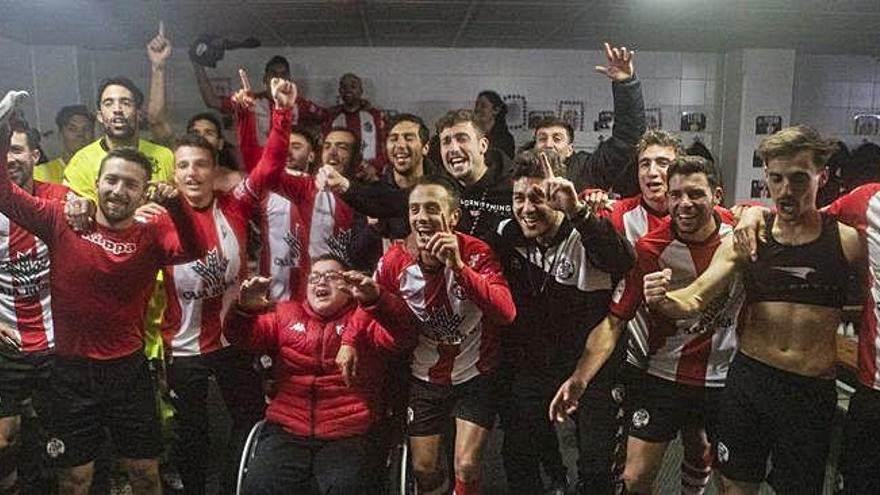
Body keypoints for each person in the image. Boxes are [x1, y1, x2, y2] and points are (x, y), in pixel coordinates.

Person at [0, 95, 204, 493]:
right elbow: (5, 195)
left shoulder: (152, 231)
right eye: (111, 180)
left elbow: (194, 250)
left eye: (130, 184)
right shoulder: (61, 220)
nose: (118, 190)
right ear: (96, 184)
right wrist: (3, 129)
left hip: (127, 373)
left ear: (144, 191)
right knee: (76, 480)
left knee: (144, 474)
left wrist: (177, 206)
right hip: (69, 374)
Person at [643, 125, 863, 494]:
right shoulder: (749, 237)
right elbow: (695, 298)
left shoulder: (846, 241)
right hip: (751, 383)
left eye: (798, 179)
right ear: (766, 179)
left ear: (821, 177)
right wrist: (663, 299)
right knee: (735, 486)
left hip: (809, 391)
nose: (786, 190)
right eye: (776, 179)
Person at [558, 156, 739, 495]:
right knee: (635, 477)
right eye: (676, 195)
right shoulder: (651, 248)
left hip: (724, 377)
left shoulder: (740, 233)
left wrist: (754, 212)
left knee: (729, 481)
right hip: (664, 375)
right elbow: (613, 323)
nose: (684, 204)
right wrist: (579, 378)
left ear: (717, 195)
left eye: (695, 194)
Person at [159, 77, 295, 495]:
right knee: (192, 432)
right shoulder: (158, 215)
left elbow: (269, 166)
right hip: (183, 348)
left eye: (200, 164)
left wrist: (281, 113)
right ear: (174, 171)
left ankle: (232, 484)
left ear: (214, 167)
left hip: (234, 338)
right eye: (182, 165)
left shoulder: (234, 205)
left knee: (250, 416)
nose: (192, 173)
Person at [495, 149, 634, 494]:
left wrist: (578, 212)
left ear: (558, 198)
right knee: (517, 453)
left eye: (538, 198)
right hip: (537, 366)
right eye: (519, 198)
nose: (527, 209)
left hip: (593, 367)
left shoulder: (585, 232)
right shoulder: (506, 235)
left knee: (596, 469)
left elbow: (622, 260)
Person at [373, 176, 516, 495]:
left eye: (432, 209)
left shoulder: (477, 252)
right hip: (425, 376)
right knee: (424, 469)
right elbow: (370, 306)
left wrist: (460, 268)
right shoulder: (395, 261)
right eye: (414, 210)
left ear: (453, 217)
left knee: (466, 465)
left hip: (476, 374)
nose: (421, 217)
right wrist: (347, 343)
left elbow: (506, 313)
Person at [226, 255, 415, 494]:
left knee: (347, 487)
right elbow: (239, 337)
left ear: (349, 288)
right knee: (261, 484)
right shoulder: (285, 315)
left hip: (349, 433)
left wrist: (378, 299)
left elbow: (404, 334)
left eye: (331, 277)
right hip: (287, 430)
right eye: (314, 277)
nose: (320, 282)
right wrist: (243, 310)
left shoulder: (365, 322)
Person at [0, 123, 74, 494]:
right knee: (4, 441)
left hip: (58, 340)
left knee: (63, 437)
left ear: (34, 155)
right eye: (3, 150)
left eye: (15, 149)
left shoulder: (60, 198)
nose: (8, 158)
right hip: (8, 343)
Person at [534, 42, 645, 197]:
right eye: (542, 138)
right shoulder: (522, 172)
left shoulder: (587, 170)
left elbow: (627, 138)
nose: (548, 144)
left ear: (570, 149)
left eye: (557, 138)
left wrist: (626, 84)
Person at [146, 26, 242, 191]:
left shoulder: (237, 180)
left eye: (209, 133)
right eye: (195, 133)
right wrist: (158, 66)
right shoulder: (180, 177)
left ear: (220, 143)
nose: (202, 138)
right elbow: (156, 120)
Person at [327, 113, 438, 241]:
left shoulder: (443, 187)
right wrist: (374, 230)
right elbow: (356, 254)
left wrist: (346, 186)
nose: (400, 145)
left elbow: (394, 200)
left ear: (425, 147)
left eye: (409, 138)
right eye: (393, 139)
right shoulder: (368, 194)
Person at [62, 76, 174, 202]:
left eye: (126, 103)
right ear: (99, 116)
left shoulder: (165, 156)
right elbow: (79, 215)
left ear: (139, 114)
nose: (117, 110)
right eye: (109, 103)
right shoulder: (81, 163)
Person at [324, 73, 388, 176]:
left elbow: (385, 146)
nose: (348, 90)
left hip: (371, 176)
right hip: (340, 175)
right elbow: (324, 148)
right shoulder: (332, 117)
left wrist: (375, 167)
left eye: (353, 86)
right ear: (340, 91)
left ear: (361, 91)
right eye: (344, 87)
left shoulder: (375, 116)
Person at [33, 105, 95, 184]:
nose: (80, 134)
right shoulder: (40, 174)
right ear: (60, 134)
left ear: (93, 135)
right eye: (72, 129)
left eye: (86, 129)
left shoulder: (102, 170)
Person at [474, 90, 515, 159]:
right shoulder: (473, 134)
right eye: (476, 105)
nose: (478, 109)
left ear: (496, 110)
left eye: (483, 106)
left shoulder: (505, 139)